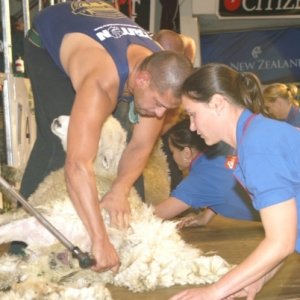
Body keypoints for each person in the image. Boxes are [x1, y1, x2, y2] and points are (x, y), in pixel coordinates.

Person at [20, 1, 192, 272]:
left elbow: (140, 146)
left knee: (127, 148)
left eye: (167, 109)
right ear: (143, 79)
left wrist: (120, 190)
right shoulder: (101, 81)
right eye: (158, 103)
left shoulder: (158, 70)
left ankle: (125, 235)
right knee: (59, 139)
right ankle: (23, 246)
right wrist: (99, 240)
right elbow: (78, 165)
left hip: (100, 35)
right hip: (48, 41)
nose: (160, 114)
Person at [169, 63, 300, 300]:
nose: (192, 126)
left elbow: (281, 241)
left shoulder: (258, 146)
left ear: (218, 103)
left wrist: (214, 291)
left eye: (192, 114)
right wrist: (257, 278)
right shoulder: (256, 136)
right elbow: (291, 230)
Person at [155, 118, 260, 227]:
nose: (172, 157)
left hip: (276, 218)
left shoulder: (199, 180)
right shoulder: (224, 149)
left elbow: (156, 215)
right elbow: (224, 182)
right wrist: (205, 217)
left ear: (186, 153)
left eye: (172, 152)